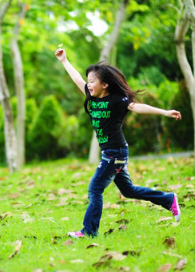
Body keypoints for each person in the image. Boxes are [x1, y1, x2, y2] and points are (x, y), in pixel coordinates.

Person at [55, 48, 182, 238]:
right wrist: (64, 61)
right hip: (112, 152)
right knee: (128, 190)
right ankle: (168, 199)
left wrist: (164, 112)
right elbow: (77, 79)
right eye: (88, 81)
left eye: (92, 82)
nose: (88, 85)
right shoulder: (92, 96)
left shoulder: (117, 100)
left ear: (105, 84)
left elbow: (137, 107)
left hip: (116, 153)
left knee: (95, 188)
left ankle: (88, 231)